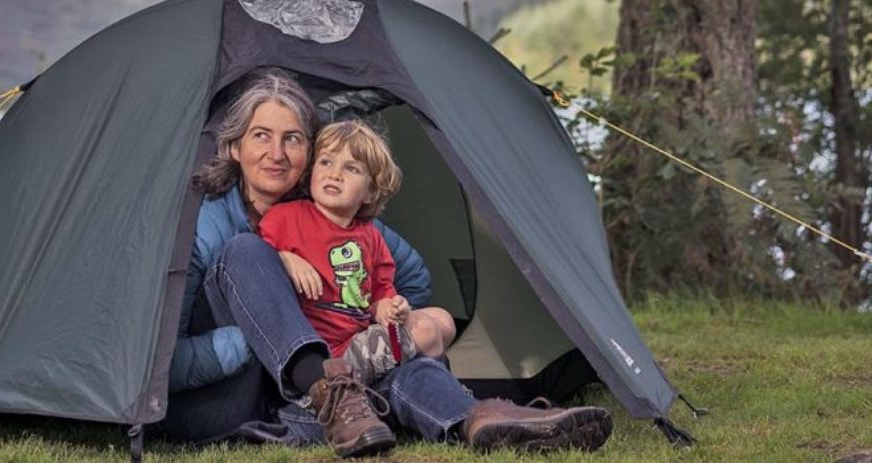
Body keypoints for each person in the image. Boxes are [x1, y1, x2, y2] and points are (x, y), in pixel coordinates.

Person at [157, 67, 611, 458]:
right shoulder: (202, 225)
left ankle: (480, 419)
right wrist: (252, 340)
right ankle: (330, 393)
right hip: (220, 398)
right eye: (261, 136)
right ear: (234, 147)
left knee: (402, 370)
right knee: (246, 251)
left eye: (292, 139)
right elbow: (161, 365)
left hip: (311, 405)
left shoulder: (325, 217)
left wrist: (381, 318)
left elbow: (409, 273)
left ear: (308, 154)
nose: (277, 154)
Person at [261, 119, 426, 390]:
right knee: (428, 335)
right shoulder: (284, 219)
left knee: (440, 322)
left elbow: (380, 293)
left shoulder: (371, 237)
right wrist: (283, 258)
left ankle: (382, 381)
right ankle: (349, 385)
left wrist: (389, 307)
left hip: (357, 344)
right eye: (326, 162)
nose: (334, 174)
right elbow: (254, 268)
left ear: (371, 192)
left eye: (350, 168)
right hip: (311, 355)